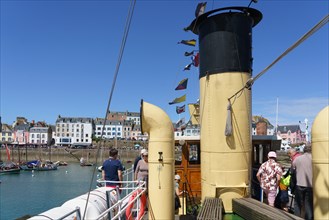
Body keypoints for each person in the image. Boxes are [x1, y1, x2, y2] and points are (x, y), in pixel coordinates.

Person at [292, 145, 313, 220]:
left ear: (304, 150)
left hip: (299, 184)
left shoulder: (297, 159)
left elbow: (293, 169)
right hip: (310, 185)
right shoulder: (314, 159)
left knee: (297, 204)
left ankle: (296, 218)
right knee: (308, 205)